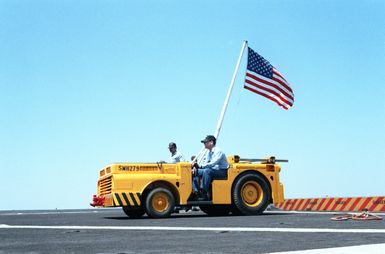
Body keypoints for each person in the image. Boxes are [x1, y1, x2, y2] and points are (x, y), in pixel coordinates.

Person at [192, 135, 229, 201]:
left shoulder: (218, 151)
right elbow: (206, 162)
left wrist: (200, 166)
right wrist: (197, 167)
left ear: (211, 142)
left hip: (222, 171)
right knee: (196, 171)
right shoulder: (208, 152)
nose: (204, 144)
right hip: (213, 170)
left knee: (207, 171)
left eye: (205, 142)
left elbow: (212, 163)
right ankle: (196, 192)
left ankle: (204, 192)